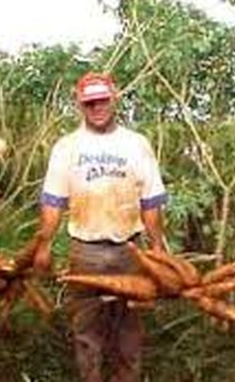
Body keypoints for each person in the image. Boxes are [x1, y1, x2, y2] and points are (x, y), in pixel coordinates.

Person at [30, 72, 167, 382]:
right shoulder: (67, 147)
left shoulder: (136, 144)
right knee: (87, 328)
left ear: (114, 98)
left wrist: (158, 248)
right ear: (80, 104)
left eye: (102, 100)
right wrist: (44, 245)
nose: (97, 107)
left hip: (130, 251)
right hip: (85, 252)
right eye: (89, 102)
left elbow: (150, 202)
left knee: (128, 328)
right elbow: (53, 202)